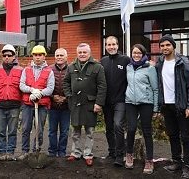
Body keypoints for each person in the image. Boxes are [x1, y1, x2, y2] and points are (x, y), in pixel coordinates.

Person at [156, 35, 189, 179]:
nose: (165, 48)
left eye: (167, 45)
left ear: (173, 46)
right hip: (167, 106)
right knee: (172, 135)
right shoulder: (160, 62)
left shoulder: (183, 62)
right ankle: (177, 162)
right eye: (162, 46)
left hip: (182, 105)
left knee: (186, 137)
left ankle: (188, 167)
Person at [63, 43, 106, 166]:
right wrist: (69, 96)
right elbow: (66, 82)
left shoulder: (97, 67)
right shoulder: (71, 67)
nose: (82, 54)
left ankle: (88, 154)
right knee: (75, 131)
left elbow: (102, 87)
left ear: (89, 53)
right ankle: (76, 153)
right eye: (80, 52)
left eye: (84, 52)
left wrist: (99, 103)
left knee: (90, 131)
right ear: (77, 53)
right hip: (75, 103)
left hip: (90, 104)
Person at [124, 44, 158, 174]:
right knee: (131, 128)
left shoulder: (149, 68)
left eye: (139, 53)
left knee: (147, 131)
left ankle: (149, 160)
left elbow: (155, 89)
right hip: (130, 102)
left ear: (143, 54)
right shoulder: (129, 67)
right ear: (131, 54)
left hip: (146, 103)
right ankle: (129, 154)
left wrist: (155, 108)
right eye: (134, 53)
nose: (136, 55)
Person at [18, 45, 55, 160]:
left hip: (42, 105)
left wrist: (40, 93)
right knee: (25, 128)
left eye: (40, 55)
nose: (38, 57)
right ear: (32, 56)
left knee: (39, 129)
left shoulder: (49, 71)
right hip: (27, 105)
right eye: (35, 55)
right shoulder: (27, 70)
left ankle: (36, 151)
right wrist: (32, 90)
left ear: (44, 56)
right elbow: (21, 85)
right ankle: (25, 151)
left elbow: (50, 88)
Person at [100, 36, 130, 166]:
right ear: (106, 46)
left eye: (113, 44)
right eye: (108, 45)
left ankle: (120, 155)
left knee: (118, 125)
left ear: (118, 46)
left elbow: (136, 69)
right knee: (109, 128)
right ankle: (111, 152)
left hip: (121, 100)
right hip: (107, 101)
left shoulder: (125, 60)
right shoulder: (103, 61)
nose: (111, 47)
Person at [0, 44, 23, 161]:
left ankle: (10, 152)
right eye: (4, 55)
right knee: (1, 131)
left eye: (9, 55)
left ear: (14, 56)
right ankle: (2, 152)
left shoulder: (20, 70)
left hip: (15, 105)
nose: (7, 57)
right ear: (1, 57)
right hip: (0, 105)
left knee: (13, 131)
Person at [48, 48, 71, 158]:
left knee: (64, 131)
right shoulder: (49, 69)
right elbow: (45, 85)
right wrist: (53, 97)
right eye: (57, 55)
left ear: (66, 57)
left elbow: (74, 86)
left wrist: (66, 98)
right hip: (53, 106)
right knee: (52, 131)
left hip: (66, 106)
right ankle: (52, 152)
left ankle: (62, 152)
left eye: (62, 55)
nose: (59, 57)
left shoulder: (71, 69)